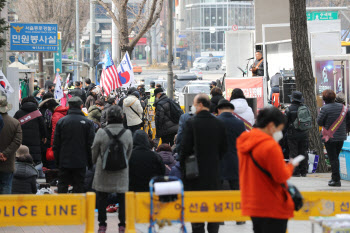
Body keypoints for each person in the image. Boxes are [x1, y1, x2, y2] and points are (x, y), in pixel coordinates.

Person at [238, 107, 298, 233]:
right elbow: (280, 176)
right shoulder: (270, 146)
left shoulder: (244, 141)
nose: (279, 133)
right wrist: (291, 166)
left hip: (253, 203)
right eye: (279, 129)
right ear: (271, 126)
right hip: (272, 204)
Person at [180, 94, 227, 233]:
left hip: (195, 175)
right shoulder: (219, 123)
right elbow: (224, 148)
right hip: (214, 174)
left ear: (200, 104)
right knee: (213, 210)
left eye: (194, 104)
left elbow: (184, 149)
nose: (193, 107)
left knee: (197, 212)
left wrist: (184, 169)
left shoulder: (191, 123)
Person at [91, 105, 133, 233]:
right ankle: (122, 225)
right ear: (122, 117)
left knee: (102, 197)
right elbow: (129, 153)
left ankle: (102, 225)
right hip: (121, 171)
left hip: (103, 170)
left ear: (108, 118)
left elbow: (94, 151)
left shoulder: (101, 132)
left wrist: (95, 162)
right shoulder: (127, 133)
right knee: (122, 197)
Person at [53, 96, 95, 193]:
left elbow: (56, 144)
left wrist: (58, 161)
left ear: (69, 106)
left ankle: (62, 206)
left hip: (64, 160)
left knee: (62, 185)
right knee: (79, 185)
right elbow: (90, 144)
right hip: (80, 161)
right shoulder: (88, 123)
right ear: (81, 106)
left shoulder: (61, 122)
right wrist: (89, 162)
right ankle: (77, 207)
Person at [317, 89, 350, 187]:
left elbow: (319, 122)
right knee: (335, 157)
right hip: (341, 137)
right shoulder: (344, 108)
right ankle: (335, 177)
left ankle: (336, 180)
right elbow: (348, 121)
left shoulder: (325, 109)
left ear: (324, 99)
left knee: (333, 159)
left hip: (329, 137)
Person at [216, 99, 245, 194]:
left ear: (219, 110)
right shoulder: (240, 123)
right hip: (235, 161)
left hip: (218, 162)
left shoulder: (215, 122)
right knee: (236, 191)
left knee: (218, 193)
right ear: (232, 110)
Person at [14, 96, 47, 166]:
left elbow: (14, 126)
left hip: (21, 140)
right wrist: (44, 136)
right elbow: (43, 126)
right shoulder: (38, 113)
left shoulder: (18, 113)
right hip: (35, 140)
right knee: (35, 160)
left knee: (22, 157)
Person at [0, 96, 22, 194]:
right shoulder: (14, 123)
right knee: (6, 187)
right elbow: (17, 141)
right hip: (7, 162)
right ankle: (5, 209)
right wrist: (5, 154)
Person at [285, 91, 309, 177]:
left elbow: (285, 123)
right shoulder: (305, 108)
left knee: (293, 152)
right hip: (304, 133)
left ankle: (295, 171)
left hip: (292, 134)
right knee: (303, 151)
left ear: (292, 99)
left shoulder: (289, 109)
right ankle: (304, 171)